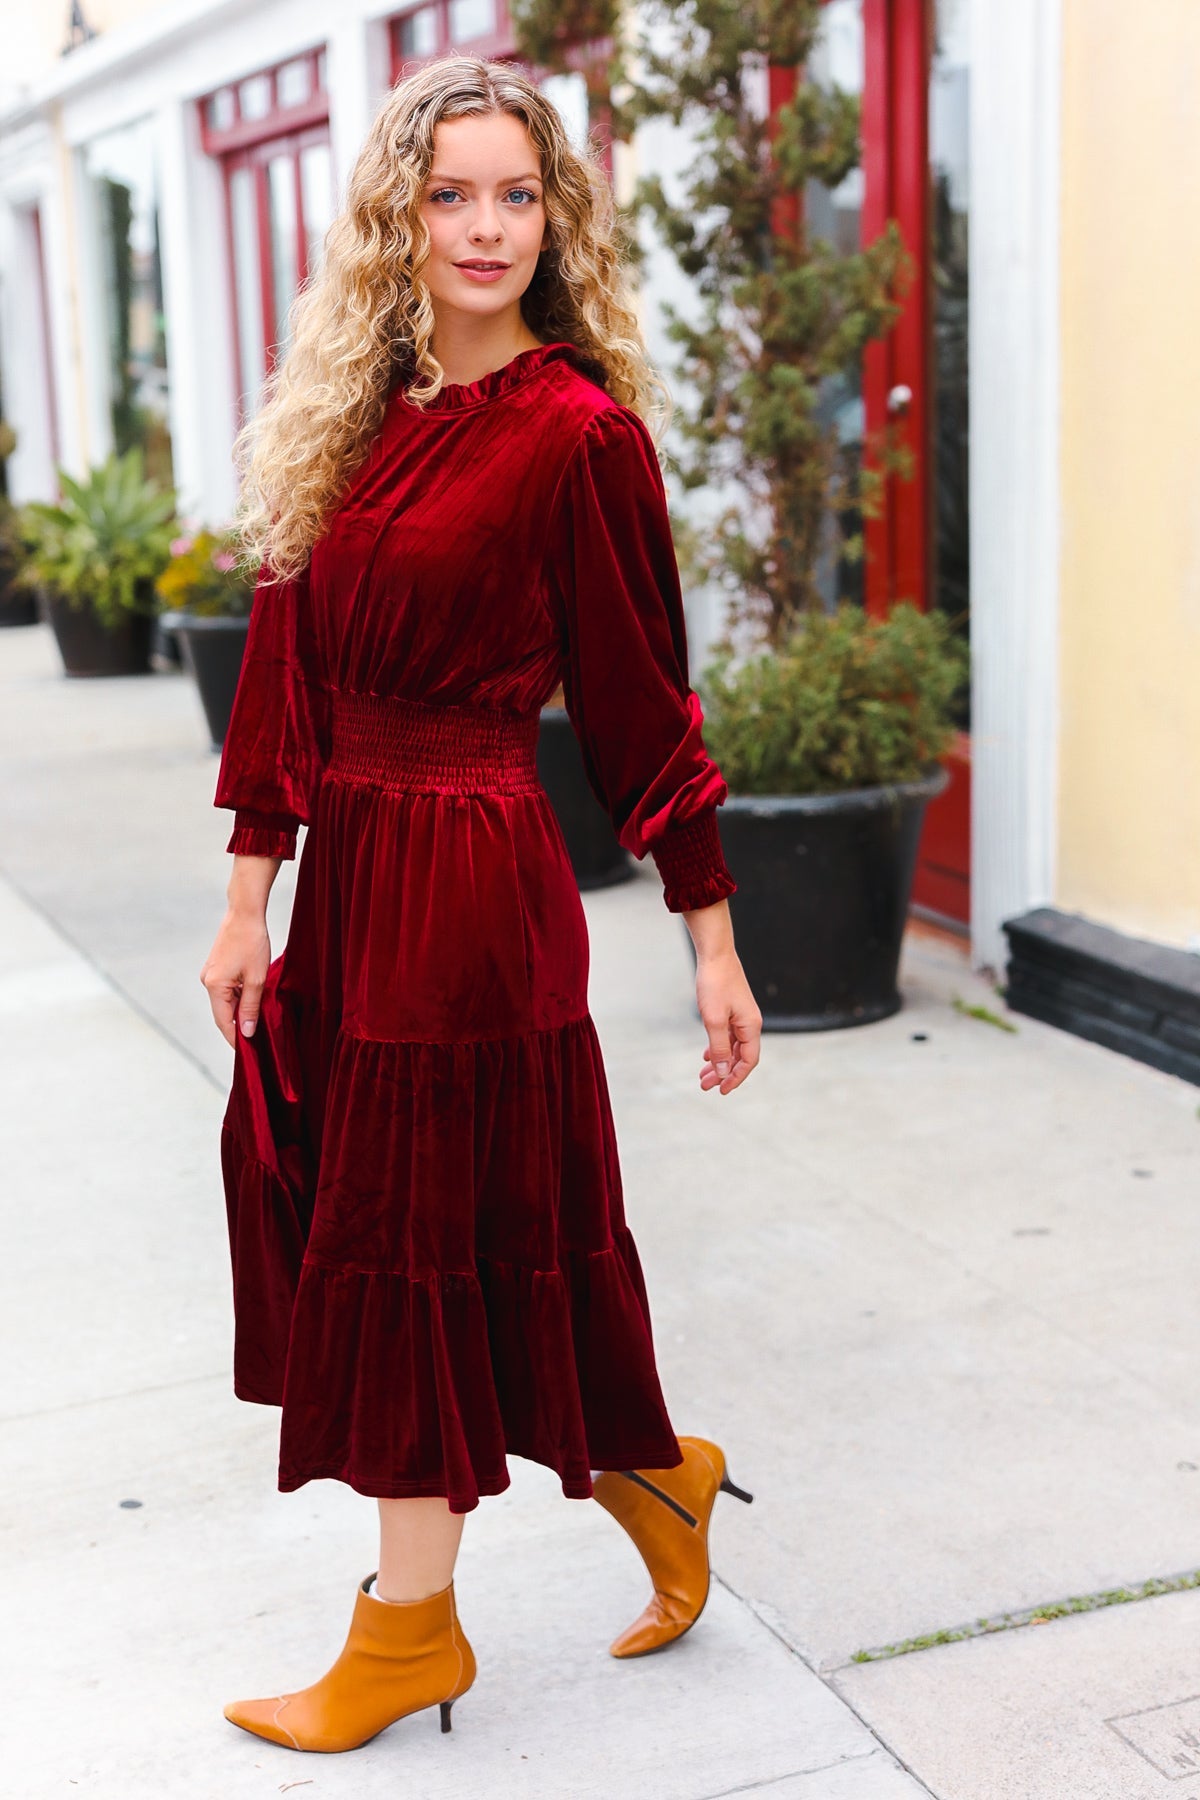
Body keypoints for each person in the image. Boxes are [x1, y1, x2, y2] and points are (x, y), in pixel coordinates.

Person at [200, 52, 762, 1756]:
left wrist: (713, 930)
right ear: (398, 215)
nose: (488, 226)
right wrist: (250, 898)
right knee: (401, 1217)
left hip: (471, 884)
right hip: (355, 881)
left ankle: (405, 1634)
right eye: (453, 193)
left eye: (519, 193)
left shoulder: (580, 437)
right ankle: (661, 1479)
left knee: (415, 1240)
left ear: (557, 218)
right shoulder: (350, 413)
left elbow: (642, 701)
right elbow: (286, 668)